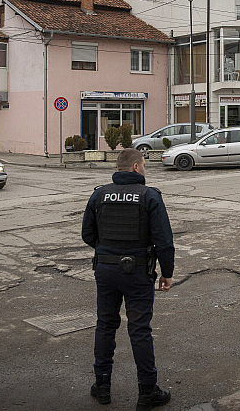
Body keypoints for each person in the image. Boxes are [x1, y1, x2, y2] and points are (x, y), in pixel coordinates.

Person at [82, 148, 174, 410]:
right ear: (135, 168)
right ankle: (147, 391)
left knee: (105, 325)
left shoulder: (99, 194)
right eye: (143, 165)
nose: (145, 169)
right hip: (137, 271)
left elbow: (87, 234)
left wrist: (107, 250)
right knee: (140, 329)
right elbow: (163, 240)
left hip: (106, 270)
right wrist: (166, 273)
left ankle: (102, 386)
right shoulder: (149, 196)